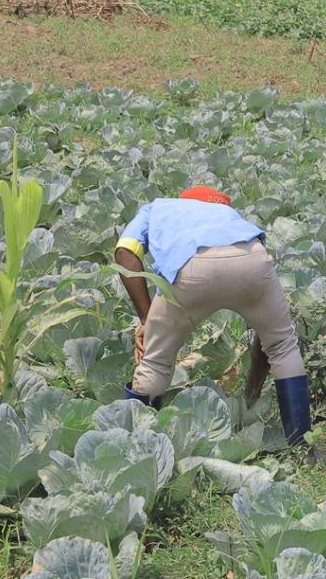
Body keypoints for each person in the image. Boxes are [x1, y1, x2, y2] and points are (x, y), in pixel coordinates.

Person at [114, 186, 311, 445]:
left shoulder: (159, 207)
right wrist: (250, 395)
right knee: (282, 346)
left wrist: (146, 319)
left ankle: (138, 445)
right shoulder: (229, 216)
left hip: (189, 265)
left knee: (156, 361)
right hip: (250, 258)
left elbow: (125, 251)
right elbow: (266, 339)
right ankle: (301, 445)